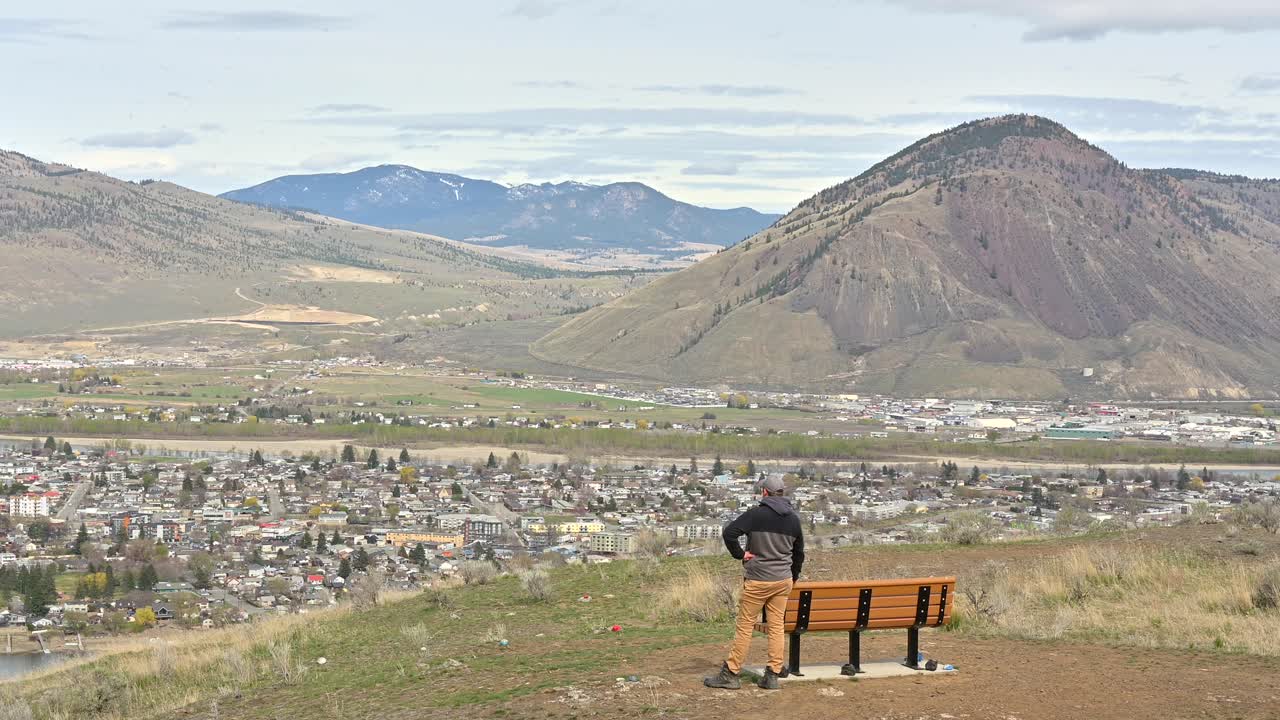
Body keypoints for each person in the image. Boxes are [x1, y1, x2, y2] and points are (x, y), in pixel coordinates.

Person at [704, 475, 804, 691]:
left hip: (759, 579)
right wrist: (792, 577)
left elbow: (729, 533)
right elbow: (799, 554)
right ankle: (772, 675)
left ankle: (731, 673)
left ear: (765, 493)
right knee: (777, 626)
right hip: (782, 580)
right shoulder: (793, 519)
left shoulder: (756, 514)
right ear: (782, 493)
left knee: (745, 626)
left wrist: (740, 554)